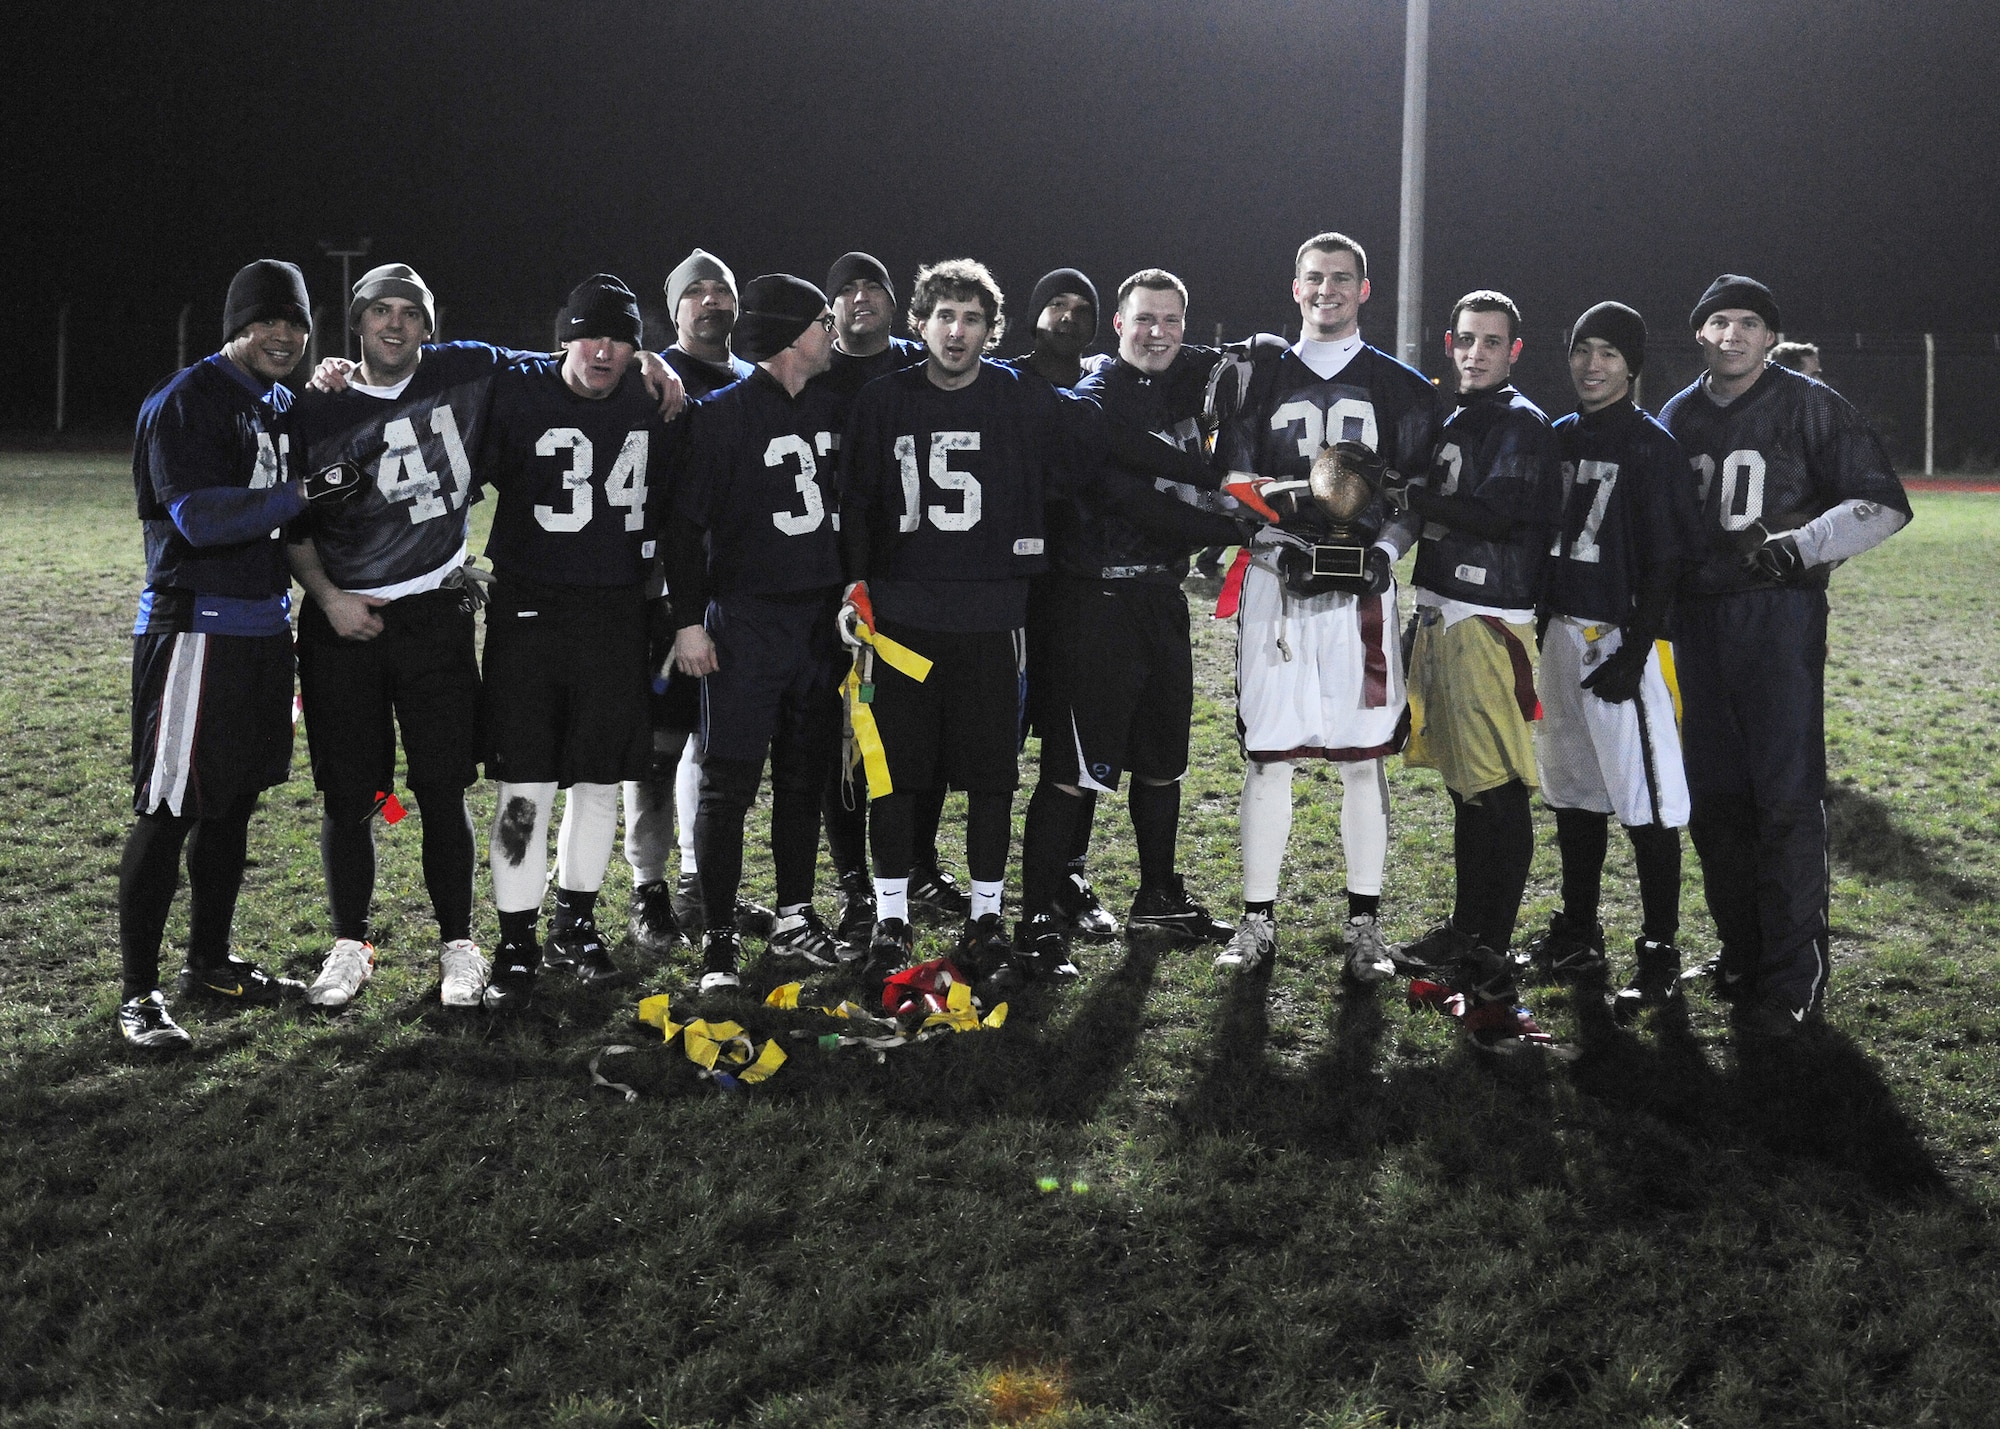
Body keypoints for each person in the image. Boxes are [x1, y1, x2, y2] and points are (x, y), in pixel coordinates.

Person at [840, 258, 1246, 993]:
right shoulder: (884, 400)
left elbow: (1115, 446)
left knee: (1002, 777)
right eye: (943, 317)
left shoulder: (1025, 395)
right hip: (915, 614)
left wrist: (1217, 480)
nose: (956, 332)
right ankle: (908, 916)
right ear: (920, 324)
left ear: (992, 330)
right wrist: (857, 584)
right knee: (904, 778)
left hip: (1005, 614)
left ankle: (998, 916)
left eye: (971, 319)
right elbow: (860, 501)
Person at [1661, 275, 1910, 1037]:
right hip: (1699, 630)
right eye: (1717, 322)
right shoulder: (1677, 414)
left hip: (1778, 626)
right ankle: (1742, 951)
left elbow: (1883, 503)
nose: (1731, 334)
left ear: (1771, 337)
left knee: (1786, 803)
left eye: (1747, 323)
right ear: (1699, 333)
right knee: (1715, 803)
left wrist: (1798, 547)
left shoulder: (1812, 405)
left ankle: (1793, 976)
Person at [1208, 232, 1443, 983]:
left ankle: (1365, 924)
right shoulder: (1258, 377)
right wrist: (1273, 545)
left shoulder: (1403, 386)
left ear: (1365, 290)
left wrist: (1383, 554)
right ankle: (1256, 918)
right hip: (1277, 583)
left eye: (1342, 279)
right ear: (1295, 285)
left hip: (1361, 598)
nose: (1327, 290)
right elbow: (1234, 481)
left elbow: (1416, 496)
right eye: (1315, 278)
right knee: (1268, 752)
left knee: (1362, 756)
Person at [117, 260, 339, 1047]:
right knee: (170, 807)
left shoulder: (283, 403)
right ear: (235, 326)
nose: (282, 334)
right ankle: (137, 994)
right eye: (265, 320)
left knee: (232, 802)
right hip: (194, 632)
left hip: (260, 631)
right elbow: (202, 518)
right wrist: (304, 494)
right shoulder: (187, 399)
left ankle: (209, 960)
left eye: (296, 321)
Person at [286, 264, 506, 1011]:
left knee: (442, 788)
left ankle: (457, 943)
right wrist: (328, 598)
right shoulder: (317, 405)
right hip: (341, 617)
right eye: (379, 310)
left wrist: (643, 358)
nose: (394, 324)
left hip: (435, 616)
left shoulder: (468, 369)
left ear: (428, 325)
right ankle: (352, 942)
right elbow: (289, 521)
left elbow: (565, 366)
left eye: (410, 312)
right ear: (356, 323)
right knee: (353, 794)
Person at [1015, 269, 1247, 971]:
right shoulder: (1092, 397)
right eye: (1144, 319)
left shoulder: (1186, 387)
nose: (1158, 333)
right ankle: (1037, 917)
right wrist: (1233, 516)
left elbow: (1246, 369)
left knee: (1162, 763)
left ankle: (1158, 896)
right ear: (1118, 325)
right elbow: (1136, 498)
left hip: (1161, 600)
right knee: (1070, 770)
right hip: (1098, 602)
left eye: (1171, 320)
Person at [476, 275, 672, 1009]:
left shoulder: (654, 400)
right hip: (529, 613)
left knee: (597, 780)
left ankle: (575, 921)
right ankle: (517, 938)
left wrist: (663, 365)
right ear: (563, 336)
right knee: (525, 782)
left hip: (618, 613)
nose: (604, 349)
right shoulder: (520, 387)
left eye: (621, 339)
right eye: (590, 334)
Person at [665, 275, 849, 991]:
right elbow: (684, 531)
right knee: (729, 784)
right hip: (746, 619)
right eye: (821, 320)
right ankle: (717, 942)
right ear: (791, 333)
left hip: (820, 623)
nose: (830, 331)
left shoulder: (836, 407)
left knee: (804, 777)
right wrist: (687, 622)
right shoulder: (720, 416)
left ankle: (796, 914)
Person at [1394, 291, 1566, 1050]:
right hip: (1441, 613)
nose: (1475, 352)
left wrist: (1406, 493)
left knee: (1496, 797)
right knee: (1471, 796)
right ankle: (1469, 939)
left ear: (1514, 350)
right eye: (1465, 340)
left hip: (1483, 620)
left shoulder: (1522, 423)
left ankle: (1492, 970)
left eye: (1491, 342)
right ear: (1449, 342)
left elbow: (1498, 517)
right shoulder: (1453, 415)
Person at [1532, 302, 1703, 1022]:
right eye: (1581, 349)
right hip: (1559, 633)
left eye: (1607, 352)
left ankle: (1660, 951)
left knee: (1647, 804)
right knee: (1573, 792)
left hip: (1613, 638)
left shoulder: (1650, 444)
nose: (1592, 364)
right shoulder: (1559, 436)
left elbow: (1669, 557)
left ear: (1632, 365)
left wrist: (1635, 650)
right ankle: (1578, 930)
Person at [812, 252, 966, 945]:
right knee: (846, 737)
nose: (860, 297)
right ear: (830, 307)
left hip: (913, 577)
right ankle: (853, 883)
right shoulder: (813, 365)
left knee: (920, 733)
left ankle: (917, 863)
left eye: (872, 284)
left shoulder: (918, 359)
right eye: (846, 289)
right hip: (831, 576)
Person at [619, 248, 761, 953]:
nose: (711, 301)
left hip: (736, 592)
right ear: (674, 308)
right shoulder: (650, 378)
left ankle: (701, 882)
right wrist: (642, 356)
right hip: (662, 590)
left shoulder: (753, 381)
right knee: (657, 748)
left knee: (716, 745)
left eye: (722, 290)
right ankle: (648, 888)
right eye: (695, 291)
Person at [1007, 264, 1122, 941]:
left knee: (1078, 747)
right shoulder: (1005, 381)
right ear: (1033, 314)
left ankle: (1069, 874)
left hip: (1085, 588)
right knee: (993, 746)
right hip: (1014, 592)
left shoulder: (1102, 385)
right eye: (1056, 303)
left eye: (1084, 306)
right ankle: (952, 874)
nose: (1069, 316)